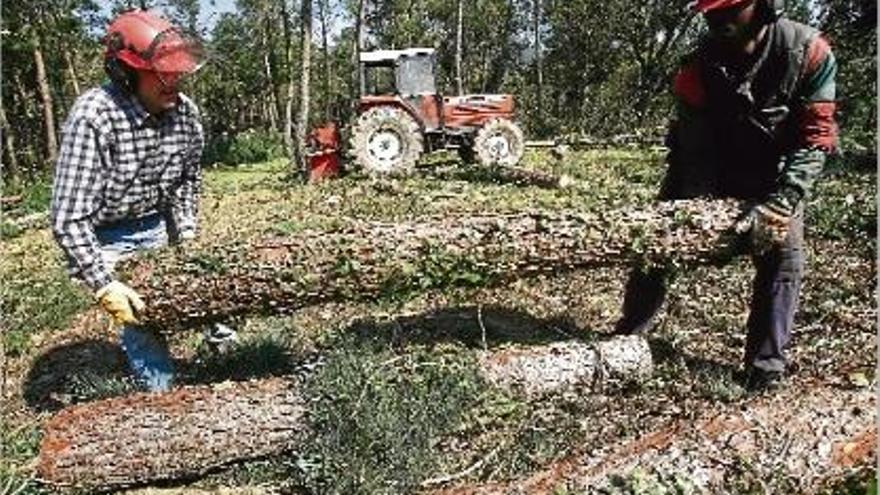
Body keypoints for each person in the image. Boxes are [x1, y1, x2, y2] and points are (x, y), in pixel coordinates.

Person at [613, 0, 837, 391]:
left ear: (764, 7)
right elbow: (694, 145)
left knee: (784, 257)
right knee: (657, 243)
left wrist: (783, 199)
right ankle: (627, 336)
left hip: (775, 173)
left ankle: (765, 367)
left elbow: (815, 137)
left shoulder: (810, 52)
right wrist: (699, 205)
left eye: (730, 9)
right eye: (710, 11)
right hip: (708, 163)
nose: (717, 18)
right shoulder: (696, 68)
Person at [51, 9, 233, 392]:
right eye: (162, 73)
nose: (175, 81)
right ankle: (161, 401)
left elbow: (186, 181)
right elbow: (68, 218)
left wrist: (186, 237)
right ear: (126, 72)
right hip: (106, 235)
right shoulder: (95, 117)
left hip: (156, 220)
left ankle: (225, 356)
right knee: (141, 320)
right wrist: (103, 283)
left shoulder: (184, 114)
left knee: (202, 291)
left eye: (178, 71)